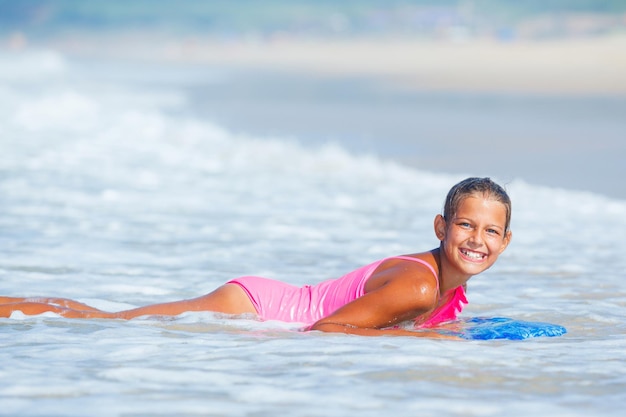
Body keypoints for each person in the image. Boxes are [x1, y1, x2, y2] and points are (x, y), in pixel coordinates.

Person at [0, 177, 512, 338]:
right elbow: (329, 330)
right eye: (466, 225)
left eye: (491, 231)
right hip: (257, 309)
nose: (476, 240)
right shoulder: (421, 283)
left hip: (268, 303)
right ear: (441, 227)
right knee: (107, 323)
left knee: (106, 320)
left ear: (505, 242)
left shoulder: (449, 286)